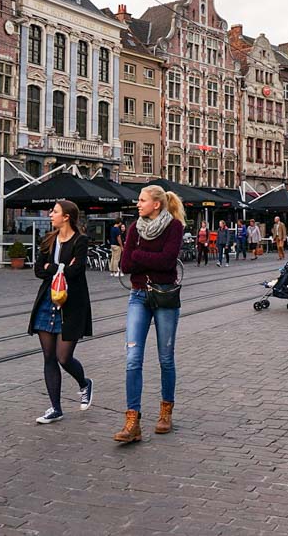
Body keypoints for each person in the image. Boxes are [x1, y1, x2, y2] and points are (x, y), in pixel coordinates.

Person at [116, 184, 186, 442]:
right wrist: (147, 257)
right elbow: (125, 265)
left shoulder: (174, 227)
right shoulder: (134, 228)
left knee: (165, 358)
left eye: (142, 200)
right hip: (138, 296)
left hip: (165, 295)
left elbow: (168, 261)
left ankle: (166, 411)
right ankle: (132, 421)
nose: (138, 203)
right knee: (133, 358)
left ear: (156, 204)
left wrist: (138, 254)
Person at [28, 200, 93, 424]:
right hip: (47, 300)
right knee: (48, 357)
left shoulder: (80, 240)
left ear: (66, 216)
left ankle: (84, 383)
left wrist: (52, 268)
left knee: (63, 357)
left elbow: (77, 271)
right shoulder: (48, 240)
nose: (50, 215)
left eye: (54, 212)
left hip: (71, 304)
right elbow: (38, 269)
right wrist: (60, 268)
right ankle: (55, 408)